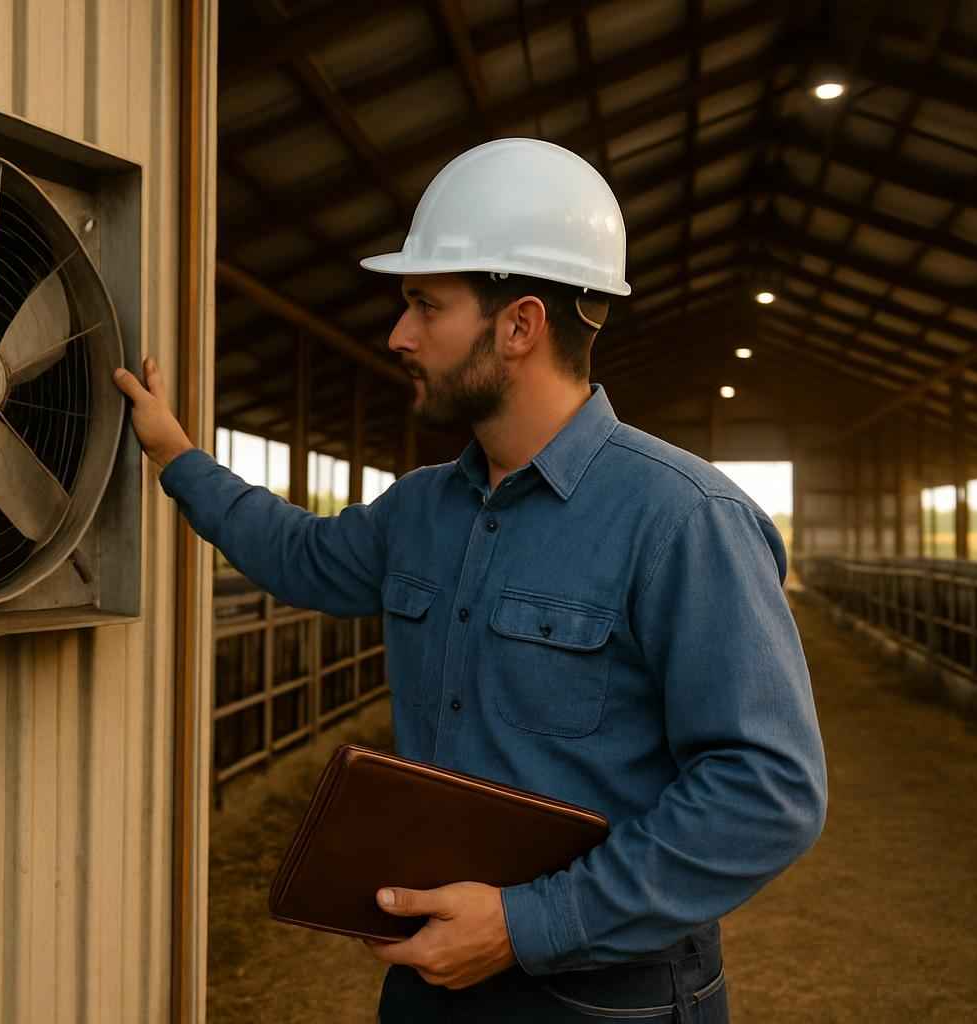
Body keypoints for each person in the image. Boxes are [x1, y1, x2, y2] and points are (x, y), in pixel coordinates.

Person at [113, 138, 827, 1022]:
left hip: (607, 999)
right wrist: (178, 458)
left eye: (424, 305)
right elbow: (298, 554)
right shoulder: (421, 510)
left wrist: (530, 923)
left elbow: (769, 791)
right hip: (433, 980)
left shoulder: (682, 519)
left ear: (519, 326)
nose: (398, 335)